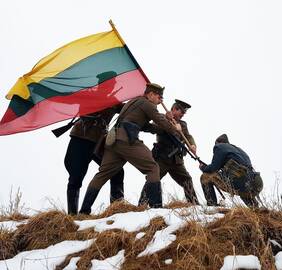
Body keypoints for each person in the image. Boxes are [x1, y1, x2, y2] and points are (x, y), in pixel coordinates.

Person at [79, 83, 181, 214]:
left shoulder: (133, 102)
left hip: (113, 142)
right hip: (126, 140)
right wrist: (174, 128)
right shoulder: (147, 104)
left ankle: (84, 211)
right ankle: (157, 209)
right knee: (153, 168)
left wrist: (164, 126)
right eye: (159, 96)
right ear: (150, 94)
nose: (161, 100)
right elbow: (160, 121)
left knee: (102, 174)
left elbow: (146, 127)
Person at [65, 71, 125, 215]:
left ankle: (118, 211)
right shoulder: (87, 94)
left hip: (98, 143)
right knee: (75, 177)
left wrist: (144, 100)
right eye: (113, 82)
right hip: (81, 139)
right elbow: (65, 98)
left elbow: (130, 110)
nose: (114, 85)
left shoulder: (114, 100)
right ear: (105, 83)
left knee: (116, 170)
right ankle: (72, 217)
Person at [139, 99, 199, 205]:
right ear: (174, 109)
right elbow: (154, 128)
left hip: (177, 160)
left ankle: (194, 204)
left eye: (184, 113)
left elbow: (188, 136)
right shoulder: (162, 117)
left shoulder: (183, 124)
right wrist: (167, 120)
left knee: (187, 180)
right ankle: (142, 205)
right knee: (153, 180)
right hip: (162, 158)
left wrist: (192, 145)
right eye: (182, 112)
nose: (183, 115)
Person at [199, 134, 263, 207]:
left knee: (205, 177)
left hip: (240, 181)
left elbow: (214, 167)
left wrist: (204, 168)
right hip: (256, 182)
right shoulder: (239, 150)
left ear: (218, 142)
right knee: (244, 192)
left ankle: (212, 205)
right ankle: (256, 209)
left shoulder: (219, 147)